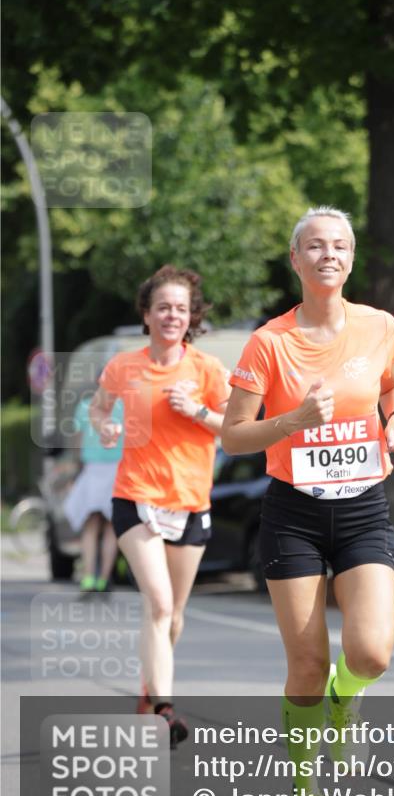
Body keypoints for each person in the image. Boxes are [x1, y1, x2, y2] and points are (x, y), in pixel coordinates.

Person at [221, 207, 394, 796]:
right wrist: (293, 421)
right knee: (305, 662)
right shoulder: (269, 342)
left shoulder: (379, 325)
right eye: (314, 246)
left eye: (339, 245)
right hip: (294, 513)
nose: (328, 254)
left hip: (363, 506)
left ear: (351, 258)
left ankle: (347, 695)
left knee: (371, 653)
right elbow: (233, 436)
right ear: (296, 260)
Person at [90, 266, 230, 746]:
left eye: (182, 308)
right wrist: (105, 426)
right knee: (159, 602)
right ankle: (165, 709)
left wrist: (198, 412)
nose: (173, 315)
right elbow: (99, 408)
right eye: (164, 307)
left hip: (190, 502)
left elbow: (236, 426)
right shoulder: (124, 366)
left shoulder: (207, 370)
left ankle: (150, 690)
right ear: (147, 315)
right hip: (136, 497)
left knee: (174, 616)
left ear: (192, 317)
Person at [63, 391, 124, 595]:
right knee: (110, 526)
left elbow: (77, 441)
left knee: (90, 525)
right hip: (118, 468)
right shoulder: (125, 406)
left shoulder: (85, 406)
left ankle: (88, 577)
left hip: (92, 468)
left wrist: (75, 471)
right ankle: (104, 579)